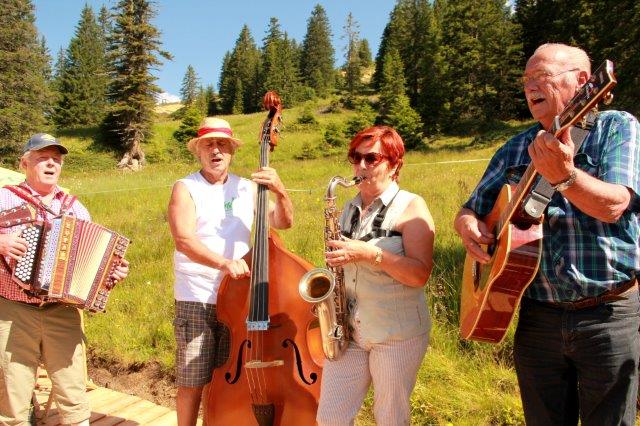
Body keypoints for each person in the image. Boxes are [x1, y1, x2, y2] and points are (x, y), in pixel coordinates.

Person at [454, 43, 640, 425]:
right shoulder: (514, 148)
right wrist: (468, 227)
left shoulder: (616, 128)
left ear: (584, 82)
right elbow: (470, 209)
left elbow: (614, 206)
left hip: (608, 314)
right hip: (538, 317)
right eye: (526, 80)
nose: (530, 87)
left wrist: (564, 177)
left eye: (541, 77)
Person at [167, 117, 293, 426]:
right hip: (198, 296)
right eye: (208, 144)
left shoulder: (246, 188)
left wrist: (280, 191)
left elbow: (283, 222)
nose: (216, 150)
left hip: (238, 297)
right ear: (198, 151)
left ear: (232, 151)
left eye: (222, 144)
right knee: (193, 378)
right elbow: (184, 240)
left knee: (226, 377)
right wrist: (223, 263)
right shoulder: (186, 188)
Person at [0, 133, 129, 426]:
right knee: (13, 397)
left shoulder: (75, 207)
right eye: (42, 158)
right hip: (13, 309)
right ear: (24, 163)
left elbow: (94, 261)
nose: (51, 164)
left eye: (56, 159)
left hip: (62, 311)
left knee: (74, 398)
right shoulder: (4, 197)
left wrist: (113, 272)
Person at [315, 125, 435, 426]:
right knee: (330, 418)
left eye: (372, 158)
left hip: (396, 334)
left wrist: (371, 254)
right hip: (349, 330)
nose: (361, 166)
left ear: (394, 165)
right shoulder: (349, 207)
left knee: (390, 418)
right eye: (356, 158)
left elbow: (420, 274)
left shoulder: (412, 207)